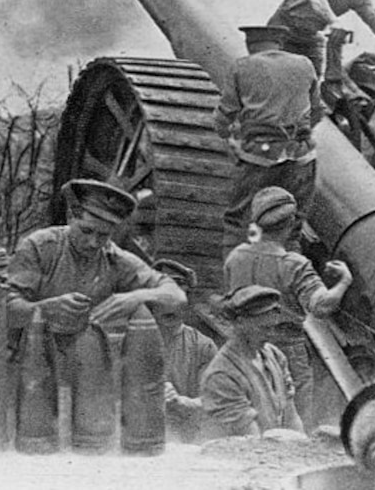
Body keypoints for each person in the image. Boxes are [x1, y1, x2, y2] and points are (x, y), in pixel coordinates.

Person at [5, 179, 186, 449]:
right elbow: (4, 310)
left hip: (89, 380)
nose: (93, 242)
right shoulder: (39, 248)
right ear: (71, 217)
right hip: (32, 378)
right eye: (86, 231)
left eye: (103, 235)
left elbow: (176, 297)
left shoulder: (116, 260)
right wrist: (44, 310)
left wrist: (135, 296)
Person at [223, 186, 353, 430]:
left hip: (242, 347)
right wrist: (344, 281)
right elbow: (321, 306)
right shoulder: (294, 264)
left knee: (249, 415)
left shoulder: (235, 257)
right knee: (293, 417)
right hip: (286, 350)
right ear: (291, 224)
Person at [214, 25, 325, 253]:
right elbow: (318, 111)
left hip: (259, 158)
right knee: (292, 224)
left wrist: (229, 139)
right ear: (278, 42)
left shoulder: (242, 67)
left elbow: (225, 115)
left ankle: (242, 279)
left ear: (250, 44)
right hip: (302, 157)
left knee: (240, 222)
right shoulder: (304, 64)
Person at [200, 285, 305, 438]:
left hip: (276, 451)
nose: (271, 335)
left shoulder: (274, 355)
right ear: (240, 323)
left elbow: (291, 416)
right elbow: (250, 440)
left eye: (273, 327)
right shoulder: (222, 375)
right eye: (263, 328)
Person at [151, 259, 217, 444]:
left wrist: (181, 402)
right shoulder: (130, 341)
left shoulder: (203, 346)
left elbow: (214, 403)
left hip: (186, 439)